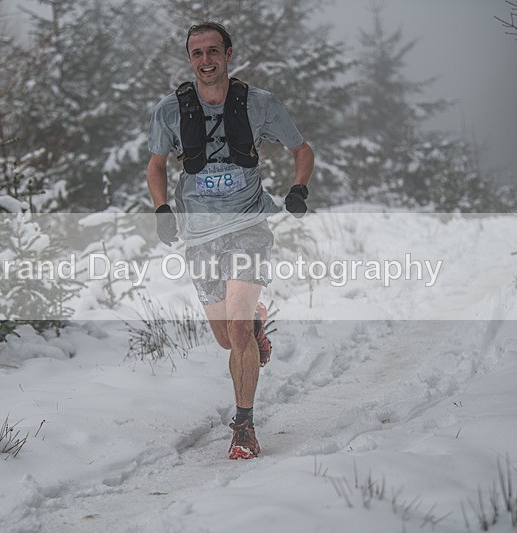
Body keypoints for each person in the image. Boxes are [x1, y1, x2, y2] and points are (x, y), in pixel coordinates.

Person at [146, 21, 313, 460]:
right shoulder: (170, 110)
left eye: (213, 51)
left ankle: (244, 426)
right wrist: (162, 208)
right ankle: (254, 324)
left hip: (248, 225)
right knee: (226, 337)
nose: (206, 60)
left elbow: (302, 150)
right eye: (197, 53)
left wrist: (299, 188)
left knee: (236, 331)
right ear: (190, 59)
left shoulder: (259, 104)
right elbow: (156, 165)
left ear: (228, 54)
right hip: (199, 233)